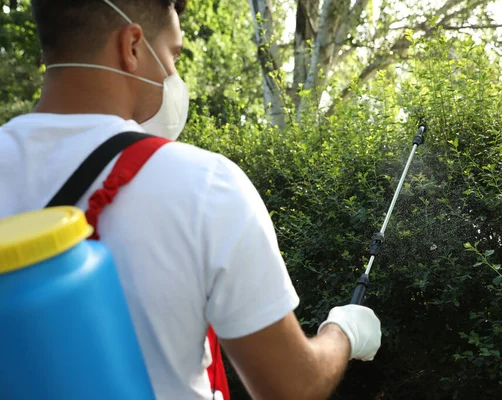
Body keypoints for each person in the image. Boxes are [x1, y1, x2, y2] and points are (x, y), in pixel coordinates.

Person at [0, 1, 382, 399]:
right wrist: (344, 332)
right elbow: (292, 387)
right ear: (132, 46)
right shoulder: (206, 186)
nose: (172, 75)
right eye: (172, 54)